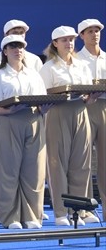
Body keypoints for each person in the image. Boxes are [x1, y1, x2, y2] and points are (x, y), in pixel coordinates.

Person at [0, 35, 47, 229]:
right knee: (8, 171)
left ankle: (32, 216)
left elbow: (42, 101)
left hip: (34, 120)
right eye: (12, 46)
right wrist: (9, 111)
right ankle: (10, 217)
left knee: (34, 171)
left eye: (20, 46)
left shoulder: (34, 75)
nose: (17, 50)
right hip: (8, 121)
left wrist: (46, 107)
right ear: (5, 52)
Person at [38, 26, 93, 225]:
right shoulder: (48, 68)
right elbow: (42, 94)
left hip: (81, 111)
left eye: (71, 39)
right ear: (55, 43)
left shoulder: (82, 65)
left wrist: (90, 97)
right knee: (57, 164)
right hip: (57, 113)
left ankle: (79, 210)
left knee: (81, 164)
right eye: (64, 40)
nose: (69, 43)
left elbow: (87, 93)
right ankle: (61, 212)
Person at [75, 18, 105, 218]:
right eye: (90, 31)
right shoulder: (76, 60)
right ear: (82, 36)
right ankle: (85, 209)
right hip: (84, 108)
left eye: (97, 30)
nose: (95, 34)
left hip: (104, 108)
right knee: (83, 161)